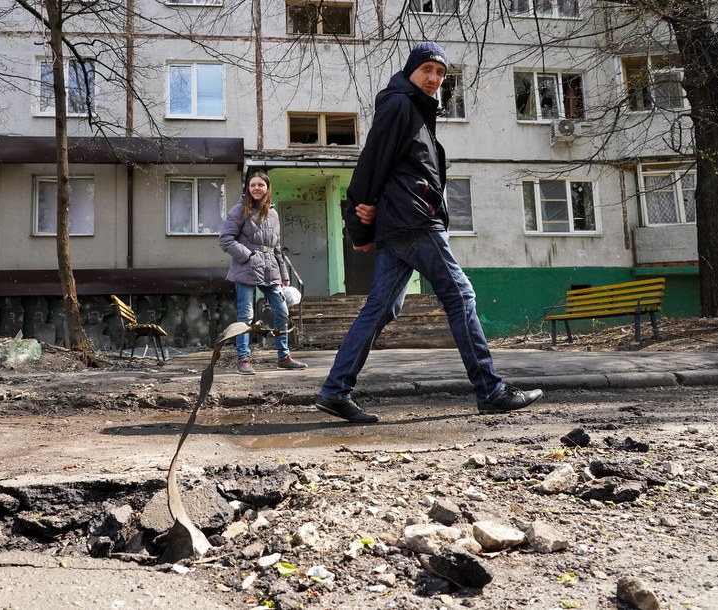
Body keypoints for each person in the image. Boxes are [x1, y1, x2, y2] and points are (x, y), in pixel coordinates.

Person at [314, 41, 542, 423]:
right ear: (411, 71)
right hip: (415, 221)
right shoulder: (399, 104)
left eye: (441, 73)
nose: (435, 79)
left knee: (382, 307)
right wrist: (359, 223)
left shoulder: (416, 109)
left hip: (403, 220)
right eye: (428, 70)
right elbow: (371, 162)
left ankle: (335, 391)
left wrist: (374, 216)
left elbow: (398, 167)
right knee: (460, 295)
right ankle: (491, 389)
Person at [219, 171, 308, 375]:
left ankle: (284, 357)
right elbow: (225, 239)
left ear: (267, 188)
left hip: (271, 271)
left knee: (282, 311)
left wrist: (284, 274)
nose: (256, 188)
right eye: (253, 185)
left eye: (260, 185)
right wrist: (249, 256)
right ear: (248, 189)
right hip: (245, 268)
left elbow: (276, 247)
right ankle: (243, 359)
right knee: (246, 316)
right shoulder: (240, 209)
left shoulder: (273, 214)